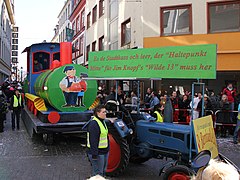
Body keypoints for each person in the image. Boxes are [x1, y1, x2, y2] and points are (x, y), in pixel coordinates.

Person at [86, 105, 109, 177]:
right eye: (103, 112)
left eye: (106, 112)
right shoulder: (94, 124)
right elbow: (93, 141)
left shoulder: (102, 121)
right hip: (98, 153)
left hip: (104, 151)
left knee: (103, 171)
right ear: (98, 113)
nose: (105, 113)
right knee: (98, 174)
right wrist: (94, 155)